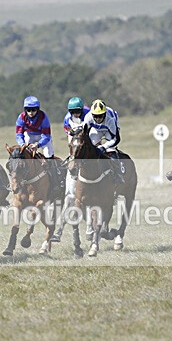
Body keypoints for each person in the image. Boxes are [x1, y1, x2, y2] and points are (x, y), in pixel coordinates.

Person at [53, 96, 90, 243]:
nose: (75, 114)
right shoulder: (67, 119)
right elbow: (69, 137)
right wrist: (73, 155)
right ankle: (58, 231)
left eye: (77, 111)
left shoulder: (88, 115)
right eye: (73, 111)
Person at [82, 99, 124, 184]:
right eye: (95, 116)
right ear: (92, 114)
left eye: (100, 116)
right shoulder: (88, 117)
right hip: (97, 129)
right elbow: (84, 135)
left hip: (109, 130)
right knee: (90, 146)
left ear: (104, 114)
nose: (98, 119)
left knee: (110, 149)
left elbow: (116, 139)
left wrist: (103, 147)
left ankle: (118, 173)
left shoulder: (110, 120)